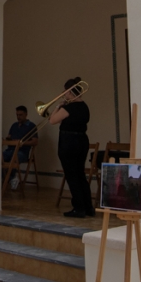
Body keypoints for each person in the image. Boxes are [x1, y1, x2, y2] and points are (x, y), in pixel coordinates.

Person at [48, 77, 93, 218]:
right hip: (82, 141)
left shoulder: (68, 108)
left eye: (65, 91)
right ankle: (88, 208)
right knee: (80, 175)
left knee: (72, 176)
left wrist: (57, 106)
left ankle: (79, 208)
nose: (64, 94)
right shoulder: (85, 106)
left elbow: (52, 120)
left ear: (69, 92)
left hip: (69, 142)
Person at [2, 106, 38, 190]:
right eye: (17, 115)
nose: (18, 117)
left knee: (14, 158)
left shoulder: (31, 126)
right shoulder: (14, 125)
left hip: (22, 152)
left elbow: (35, 142)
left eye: (20, 115)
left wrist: (21, 143)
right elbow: (9, 137)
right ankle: (10, 179)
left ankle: (10, 179)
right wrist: (7, 140)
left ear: (26, 114)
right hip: (10, 150)